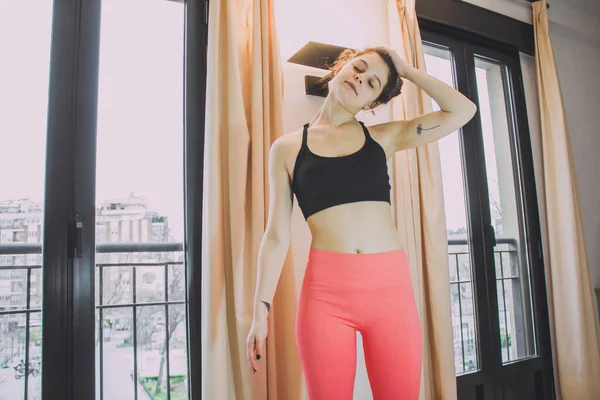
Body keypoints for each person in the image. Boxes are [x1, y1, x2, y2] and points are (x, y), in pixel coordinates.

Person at [246, 46, 477, 399]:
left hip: (390, 292)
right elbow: (276, 236)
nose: (360, 79)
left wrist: (406, 70)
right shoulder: (287, 148)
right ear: (341, 67)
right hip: (325, 297)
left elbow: (463, 110)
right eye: (358, 68)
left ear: (372, 103)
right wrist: (260, 313)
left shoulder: (383, 138)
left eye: (372, 83)